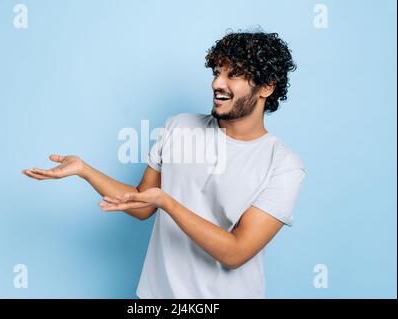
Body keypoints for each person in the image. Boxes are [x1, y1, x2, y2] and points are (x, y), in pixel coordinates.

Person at [22, 31, 306, 298]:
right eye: (217, 72)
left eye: (233, 74)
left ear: (266, 88)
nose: (217, 83)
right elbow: (144, 204)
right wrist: (84, 170)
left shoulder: (283, 165)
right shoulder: (179, 127)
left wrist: (168, 203)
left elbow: (236, 253)